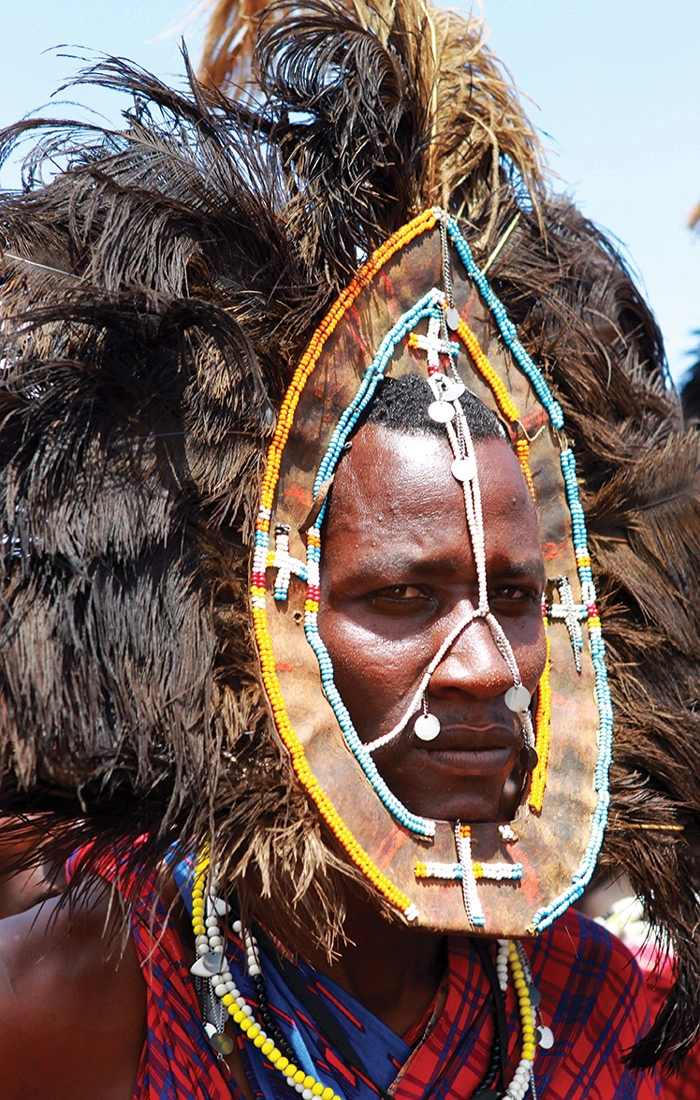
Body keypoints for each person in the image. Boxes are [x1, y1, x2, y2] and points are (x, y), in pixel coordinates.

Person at [1, 1, 699, 1097]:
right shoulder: (75, 996)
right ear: (245, 624)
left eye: (515, 593)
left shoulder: (616, 1021)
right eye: (400, 594)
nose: (483, 666)